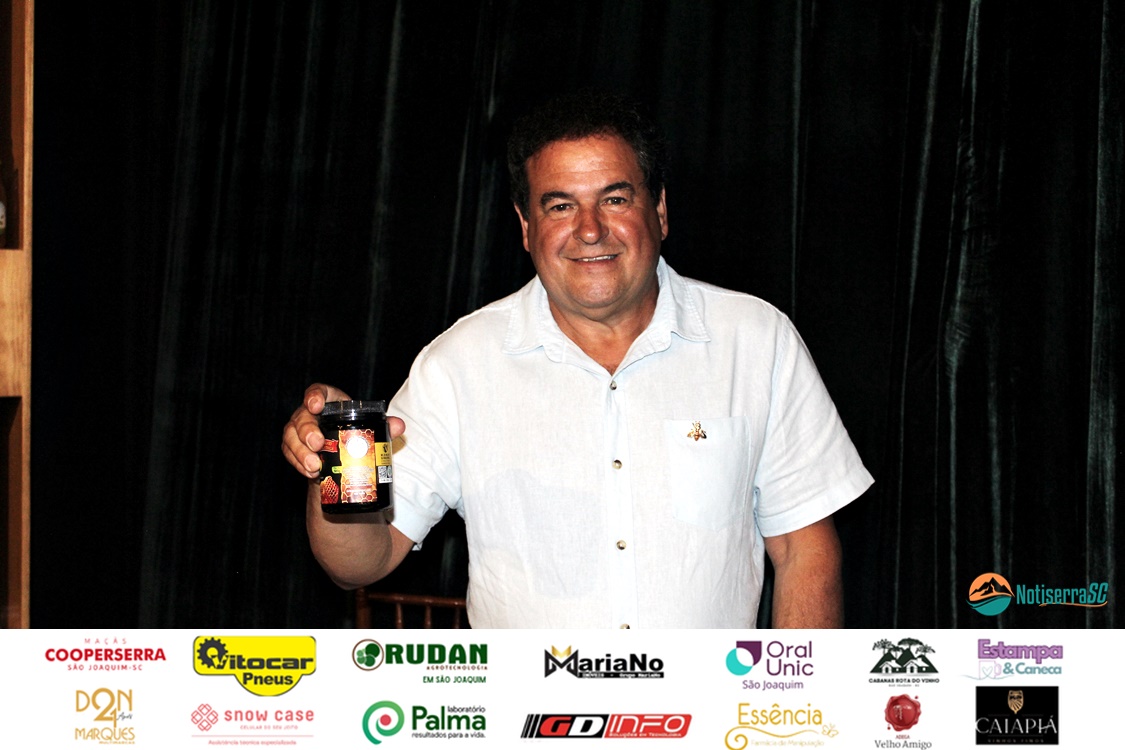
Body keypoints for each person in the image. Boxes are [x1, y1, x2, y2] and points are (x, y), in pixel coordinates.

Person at [282, 92, 873, 628]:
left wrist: (801, 701)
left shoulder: (757, 340)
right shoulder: (459, 364)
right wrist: (336, 463)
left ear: (659, 210)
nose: (590, 230)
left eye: (614, 199)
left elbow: (804, 549)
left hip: (710, 708)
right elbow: (360, 564)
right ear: (526, 227)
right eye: (560, 206)